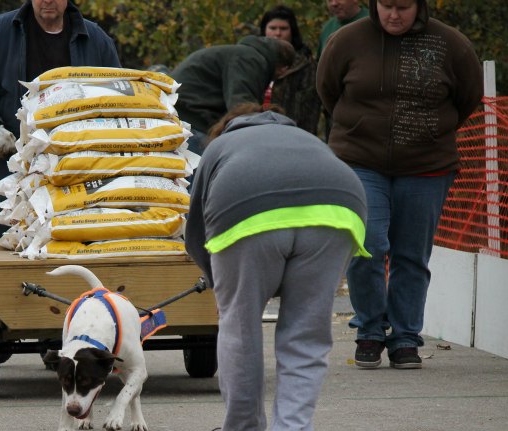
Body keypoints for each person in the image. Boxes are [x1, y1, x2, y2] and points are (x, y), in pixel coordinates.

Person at [186, 103, 369, 431]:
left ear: (227, 128)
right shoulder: (306, 139)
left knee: (240, 327)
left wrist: (224, 286)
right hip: (338, 210)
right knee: (306, 332)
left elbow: (196, 233)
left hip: (245, 211)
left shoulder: (219, 147)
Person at [317, 0, 482, 369]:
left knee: (411, 254)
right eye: (386, 6)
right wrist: (357, 130)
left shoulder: (450, 44)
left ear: (419, 6)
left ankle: (406, 337)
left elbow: (468, 97)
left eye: (403, 7)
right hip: (359, 162)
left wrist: (431, 132)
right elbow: (328, 91)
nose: (394, 15)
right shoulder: (346, 40)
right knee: (367, 245)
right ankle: (371, 330)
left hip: (426, 165)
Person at [0, 0, 120, 246]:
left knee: (67, 240)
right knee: (1, 241)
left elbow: (115, 97)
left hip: (74, 163)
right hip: (11, 156)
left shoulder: (95, 39)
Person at [171, 36, 296, 155]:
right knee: (202, 170)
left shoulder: (243, 54)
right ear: (283, 69)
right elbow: (241, 109)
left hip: (180, 112)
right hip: (190, 120)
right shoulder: (250, 60)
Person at [258, 5, 321, 134]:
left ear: (292, 31)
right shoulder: (253, 61)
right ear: (264, 30)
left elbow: (310, 110)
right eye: (273, 28)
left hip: (293, 132)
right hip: (257, 130)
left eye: (283, 29)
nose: (277, 33)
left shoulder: (306, 65)